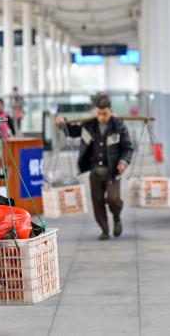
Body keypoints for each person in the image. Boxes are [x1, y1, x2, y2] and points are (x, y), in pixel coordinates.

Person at [55, 95, 133, 240]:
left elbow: (128, 148)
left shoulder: (119, 126)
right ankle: (104, 229)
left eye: (105, 114)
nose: (101, 117)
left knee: (113, 199)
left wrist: (123, 161)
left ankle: (116, 218)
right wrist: (62, 123)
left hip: (113, 172)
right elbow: (72, 132)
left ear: (111, 111)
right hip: (95, 171)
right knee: (97, 203)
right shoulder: (89, 125)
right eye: (98, 113)